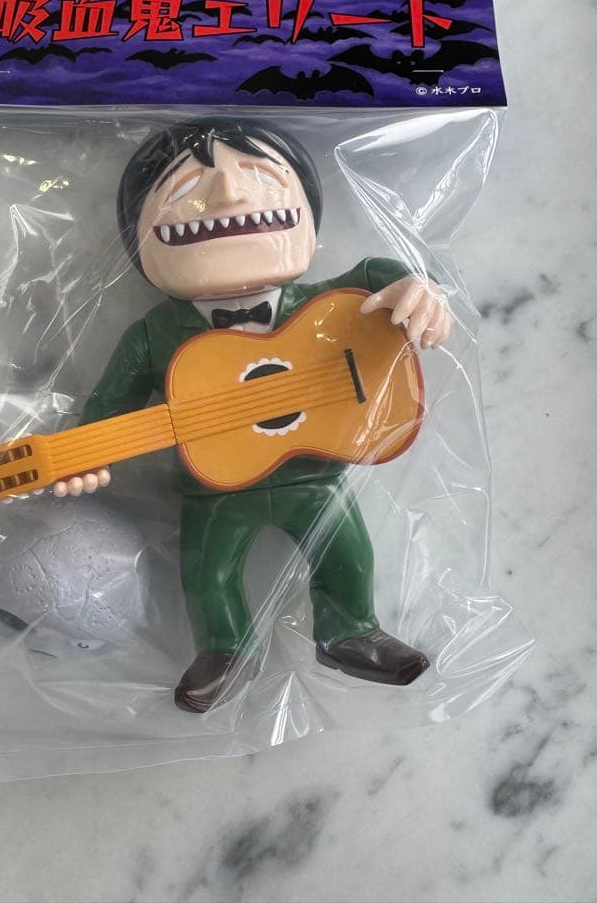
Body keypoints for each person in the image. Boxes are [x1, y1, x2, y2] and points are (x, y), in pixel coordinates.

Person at [54, 118, 452, 713]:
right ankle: (225, 650)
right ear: (138, 235)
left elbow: (374, 277)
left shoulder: (327, 302)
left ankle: (349, 632)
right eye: (185, 186)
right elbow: (110, 407)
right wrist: (81, 455)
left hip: (315, 477)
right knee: (206, 573)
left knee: (349, 552)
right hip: (214, 489)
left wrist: (420, 290)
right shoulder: (153, 335)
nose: (229, 196)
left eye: (262, 178)